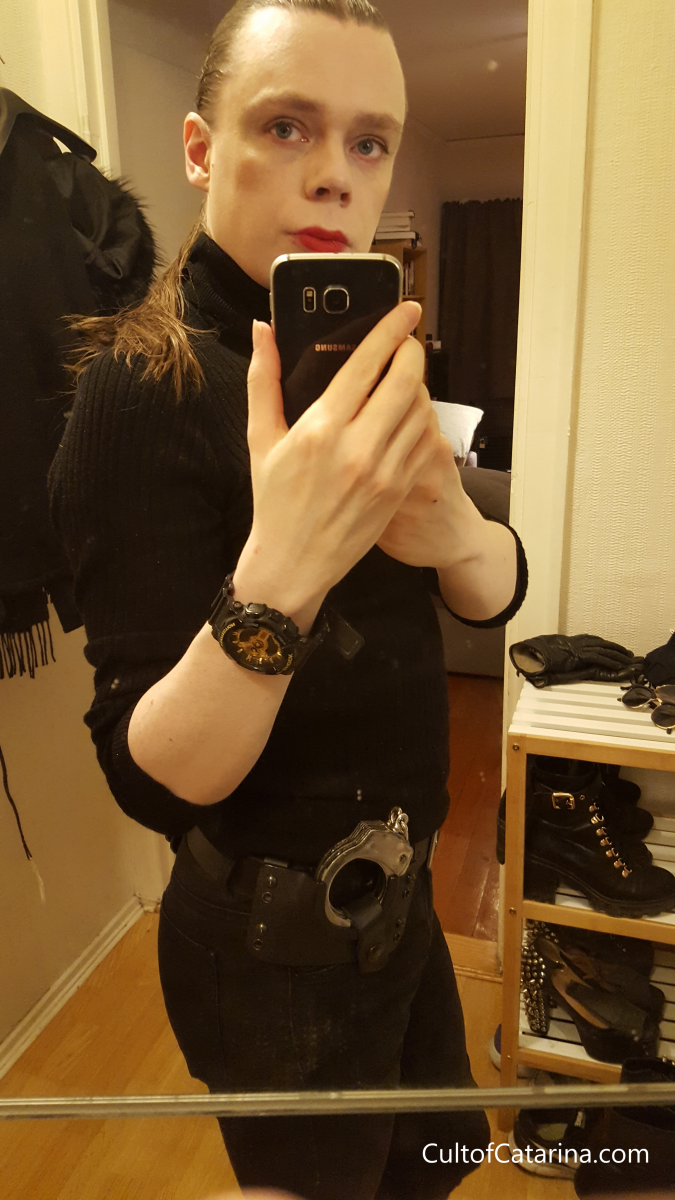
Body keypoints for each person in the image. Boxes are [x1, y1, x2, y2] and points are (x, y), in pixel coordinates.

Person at [49, 2, 527, 1197]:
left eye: (370, 142)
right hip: (277, 948)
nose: (335, 175)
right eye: (286, 126)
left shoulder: (369, 366)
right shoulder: (140, 391)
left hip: (405, 902)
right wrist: (284, 573)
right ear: (201, 149)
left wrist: (458, 534)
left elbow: (492, 596)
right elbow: (152, 781)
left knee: (439, 1166)